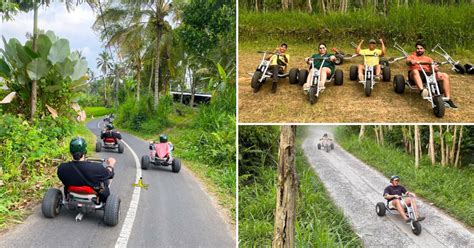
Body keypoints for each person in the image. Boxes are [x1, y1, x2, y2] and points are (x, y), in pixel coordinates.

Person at [57, 137, 115, 203]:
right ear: (85, 151)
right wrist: (111, 164)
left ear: (71, 152)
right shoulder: (97, 167)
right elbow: (110, 175)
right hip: (93, 193)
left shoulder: (62, 167)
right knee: (105, 181)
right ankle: (100, 200)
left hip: (71, 191)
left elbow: (63, 180)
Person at [407, 41, 457, 108]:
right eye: (418, 48)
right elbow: (407, 62)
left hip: (427, 74)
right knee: (415, 71)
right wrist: (411, 61)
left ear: (424, 50)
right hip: (414, 74)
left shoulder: (428, 59)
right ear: (416, 49)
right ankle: (423, 91)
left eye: (421, 48)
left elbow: (434, 68)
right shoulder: (411, 56)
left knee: (445, 75)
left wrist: (436, 69)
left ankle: (447, 99)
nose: (419, 50)